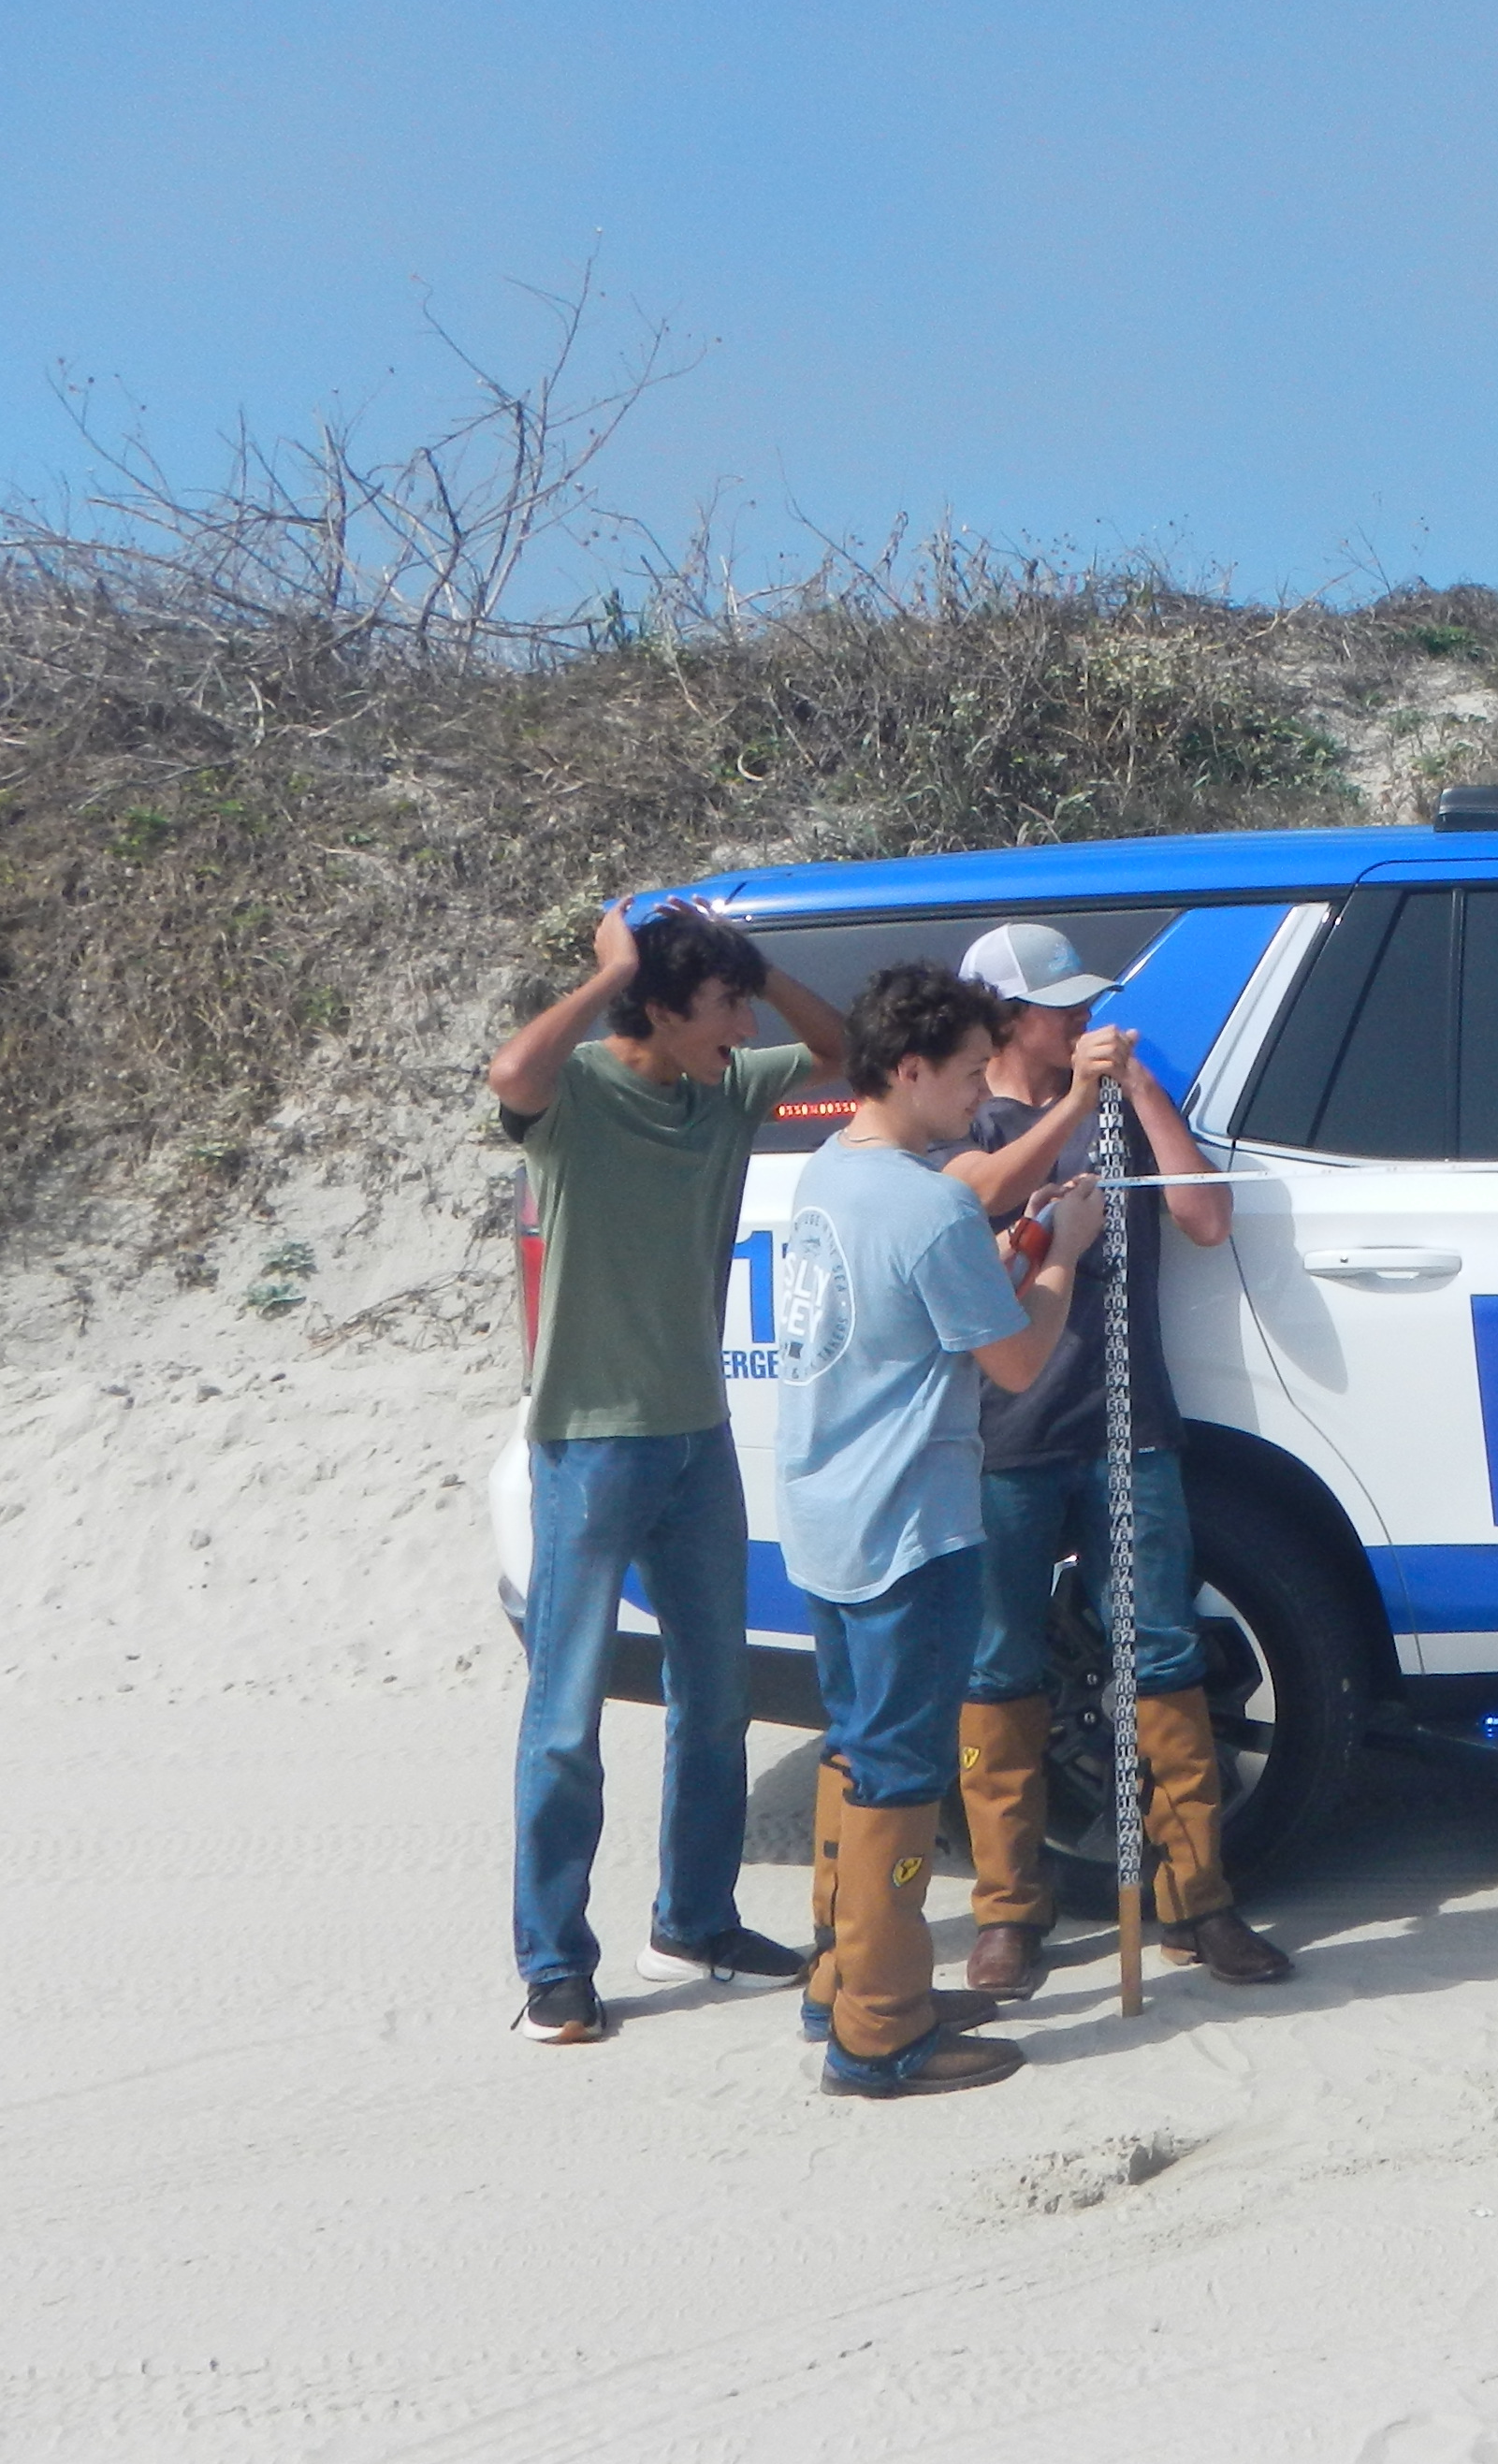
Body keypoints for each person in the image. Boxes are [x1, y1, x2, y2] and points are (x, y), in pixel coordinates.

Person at [487, 900, 846, 2048]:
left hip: (698, 1436)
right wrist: (613, 972)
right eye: (724, 1006)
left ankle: (694, 1924)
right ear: (658, 1007)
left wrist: (756, 967)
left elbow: (842, 1052)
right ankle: (554, 1965)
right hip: (589, 1441)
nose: (743, 1027)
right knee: (566, 1713)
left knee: (717, 1698)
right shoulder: (580, 1095)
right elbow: (511, 1073)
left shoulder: (724, 1089)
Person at [932, 921, 1287, 1996]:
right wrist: (1073, 1108)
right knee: (1001, 1668)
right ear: (1004, 1019)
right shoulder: (968, 1123)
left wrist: (1135, 1090)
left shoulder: (1120, 1107)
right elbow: (969, 1206)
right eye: (1059, 1008)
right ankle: (1009, 1911)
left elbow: (1206, 1219)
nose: (1083, 1019)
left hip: (1131, 1427)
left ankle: (1198, 1899)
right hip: (1006, 1438)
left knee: (1164, 1654)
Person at [777, 964, 1109, 2100]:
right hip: (909, 1526)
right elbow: (1015, 1362)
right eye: (969, 1074)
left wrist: (1006, 1255)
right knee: (901, 1775)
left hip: (826, 1515)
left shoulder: (832, 1170)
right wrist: (1060, 1253)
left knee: (853, 1747)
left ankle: (847, 1978)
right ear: (910, 1069)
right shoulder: (928, 1206)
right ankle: (880, 2032)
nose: (981, 1095)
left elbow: (912, 1314)